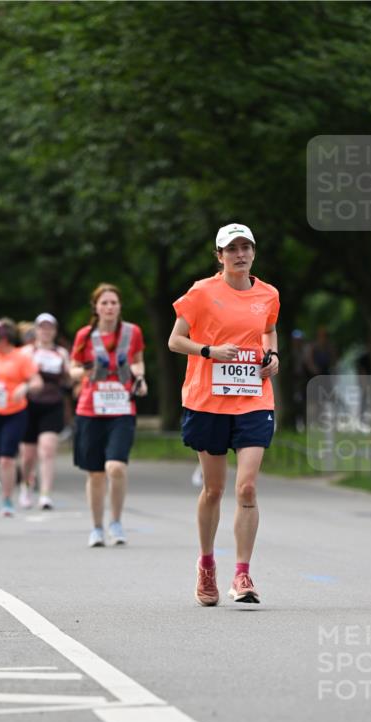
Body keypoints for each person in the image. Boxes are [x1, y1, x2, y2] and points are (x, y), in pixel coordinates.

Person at [168, 223, 280, 605]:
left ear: (253, 252)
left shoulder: (268, 294)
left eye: (246, 247)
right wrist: (209, 352)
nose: (240, 254)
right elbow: (175, 340)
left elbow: (269, 330)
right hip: (207, 401)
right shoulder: (202, 292)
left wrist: (273, 356)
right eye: (231, 248)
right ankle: (206, 565)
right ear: (219, 256)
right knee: (214, 490)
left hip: (253, 398)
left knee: (247, 488)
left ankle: (243, 575)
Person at [70, 283, 147, 547]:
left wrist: (140, 378)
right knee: (95, 473)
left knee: (115, 467)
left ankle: (116, 521)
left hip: (122, 408)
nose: (109, 307)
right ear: (96, 307)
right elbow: (72, 369)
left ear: (120, 306)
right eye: (104, 303)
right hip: (90, 409)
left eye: (114, 302)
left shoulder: (132, 332)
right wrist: (83, 373)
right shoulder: (85, 335)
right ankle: (96, 527)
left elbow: (137, 360)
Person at [0, 318, 41, 516]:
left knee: (7, 458)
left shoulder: (20, 357)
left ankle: (7, 499)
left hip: (15, 412)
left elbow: (36, 381)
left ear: (3, 339)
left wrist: (24, 387)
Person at [18, 312, 70, 510]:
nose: (46, 331)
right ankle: (26, 486)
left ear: (54, 331)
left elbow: (68, 378)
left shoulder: (61, 353)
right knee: (28, 454)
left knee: (47, 450)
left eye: (50, 328)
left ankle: (45, 494)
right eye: (42, 327)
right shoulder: (26, 352)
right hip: (29, 405)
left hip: (53, 404)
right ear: (36, 330)